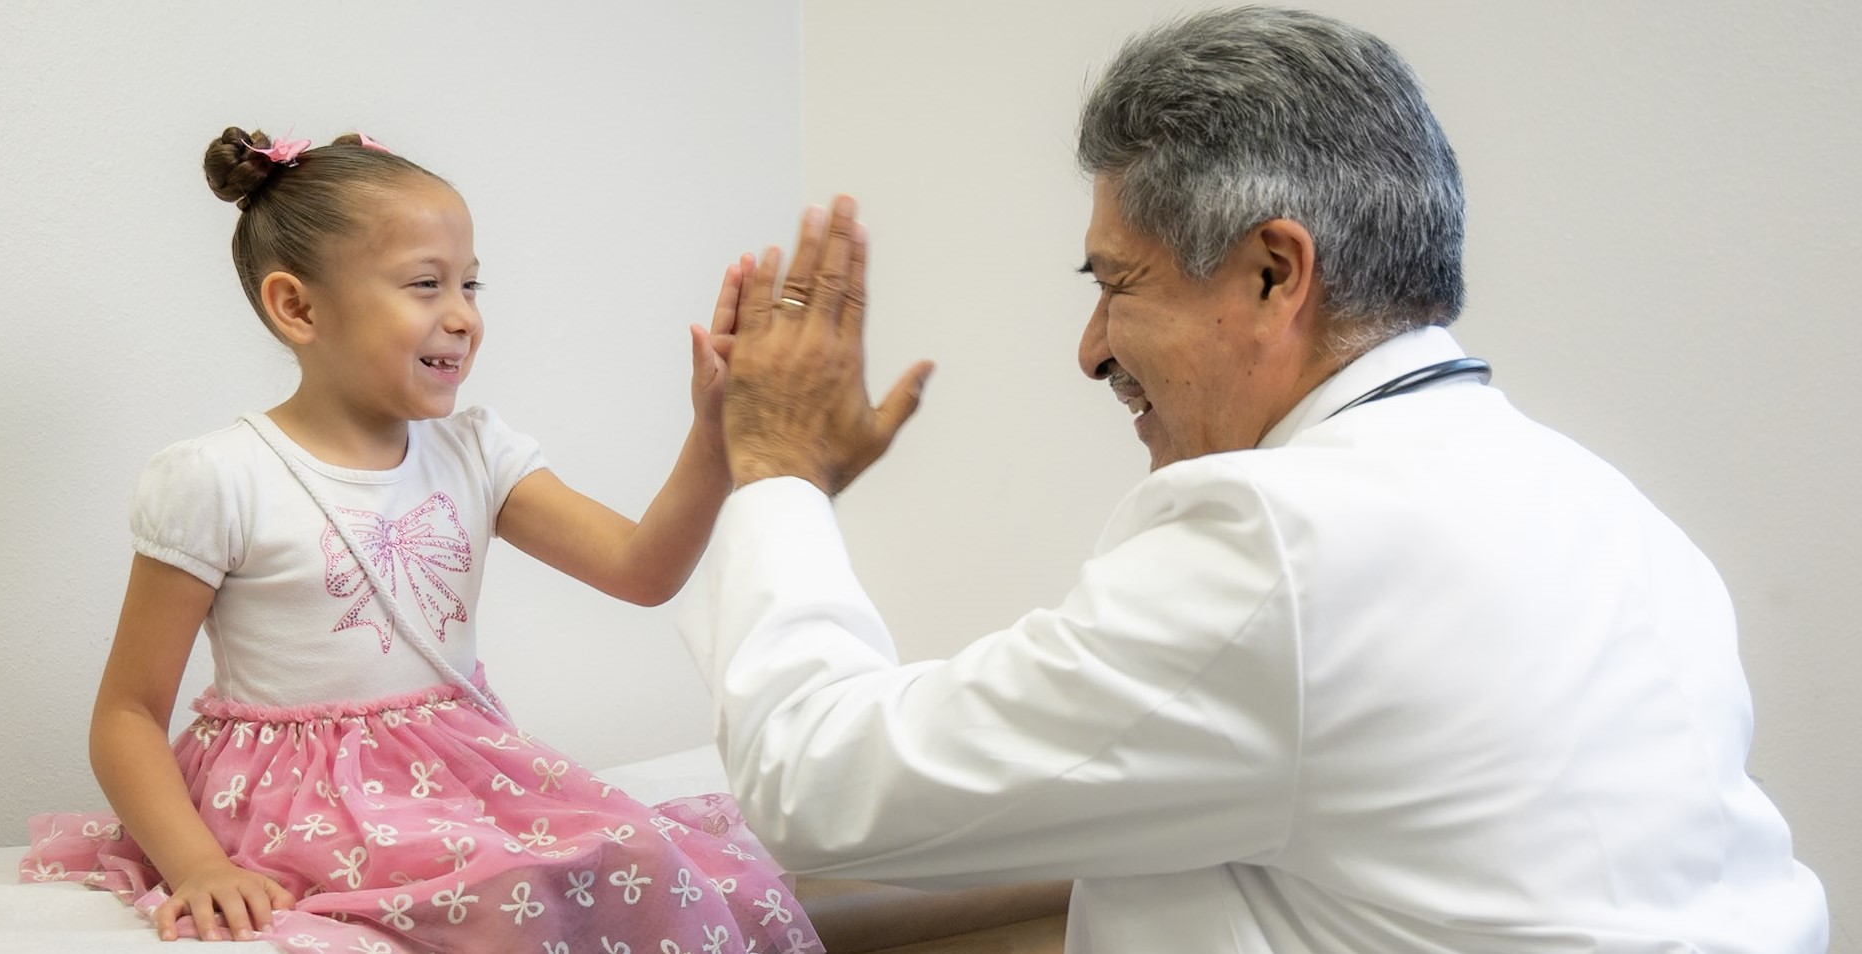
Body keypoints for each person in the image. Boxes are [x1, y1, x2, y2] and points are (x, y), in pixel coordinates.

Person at [678, 8, 1830, 953]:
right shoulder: (1604, 509)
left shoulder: (1289, 539)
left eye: (1115, 282)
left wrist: (778, 467)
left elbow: (814, 784)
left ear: (1275, 272)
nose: (1088, 348)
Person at [18, 128, 821, 954]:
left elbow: (641, 569)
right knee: (502, 884)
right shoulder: (218, 478)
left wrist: (715, 435)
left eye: (470, 285)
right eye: (426, 285)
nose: (464, 316)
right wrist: (196, 867)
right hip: (299, 801)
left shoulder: (474, 451)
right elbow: (125, 714)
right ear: (298, 306)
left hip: (455, 772)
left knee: (634, 852)